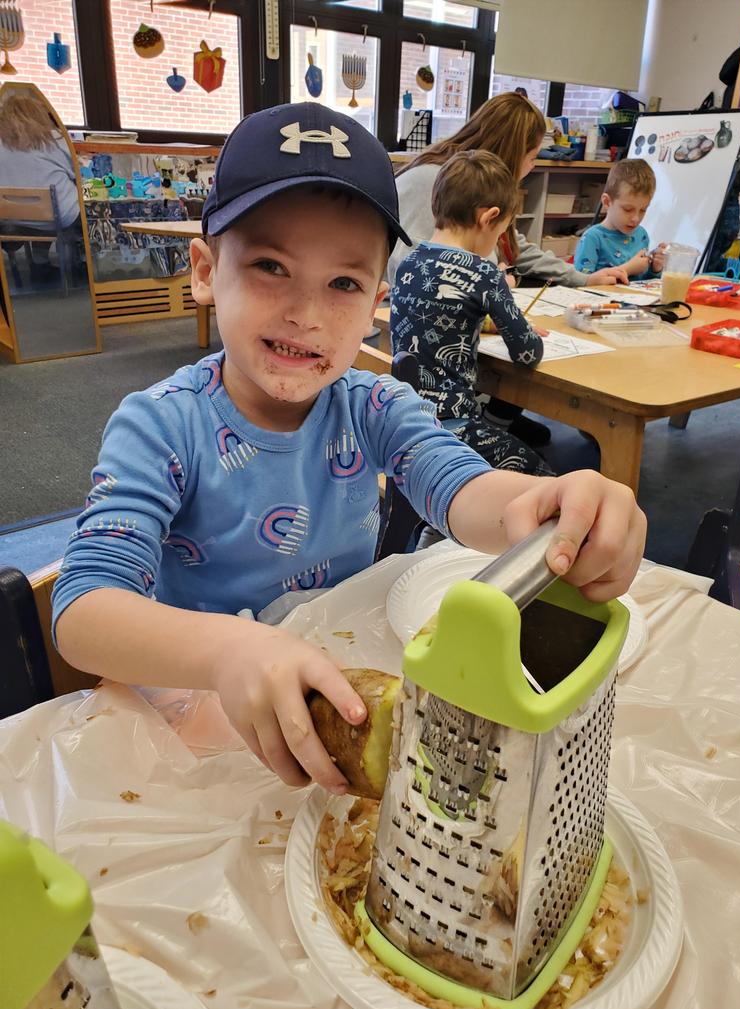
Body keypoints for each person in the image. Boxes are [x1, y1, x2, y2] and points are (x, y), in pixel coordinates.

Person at [52, 102, 646, 795]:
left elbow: (461, 486)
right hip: (201, 704)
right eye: (270, 265)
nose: (306, 314)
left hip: (335, 685)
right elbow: (83, 610)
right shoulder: (159, 426)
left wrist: (548, 506)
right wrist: (227, 651)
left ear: (375, 305)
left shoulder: (373, 405)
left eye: (343, 283)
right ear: (206, 271)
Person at [388, 92, 628, 447]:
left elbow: (512, 246)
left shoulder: (472, 184)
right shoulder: (440, 181)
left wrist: (581, 278)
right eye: (531, 157)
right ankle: (488, 429)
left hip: (417, 396)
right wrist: (488, 287)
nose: (531, 167)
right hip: (415, 354)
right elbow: (410, 271)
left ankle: (496, 422)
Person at [390, 149, 549, 476]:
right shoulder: (484, 273)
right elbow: (527, 353)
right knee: (547, 479)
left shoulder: (410, 262)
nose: (497, 241)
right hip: (452, 430)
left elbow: (444, 316)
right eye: (500, 232)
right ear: (488, 218)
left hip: (403, 421)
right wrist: (507, 303)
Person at [0, 89, 81, 281]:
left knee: (39, 212)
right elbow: (76, 172)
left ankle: (39, 263)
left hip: (11, 218)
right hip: (60, 216)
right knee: (69, 205)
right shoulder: (55, 139)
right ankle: (81, 262)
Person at [574, 159, 665, 280]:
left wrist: (655, 269)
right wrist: (628, 269)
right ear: (607, 202)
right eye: (628, 209)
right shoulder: (592, 238)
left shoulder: (641, 235)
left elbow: (642, 282)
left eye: (643, 210)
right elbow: (582, 282)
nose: (636, 218)